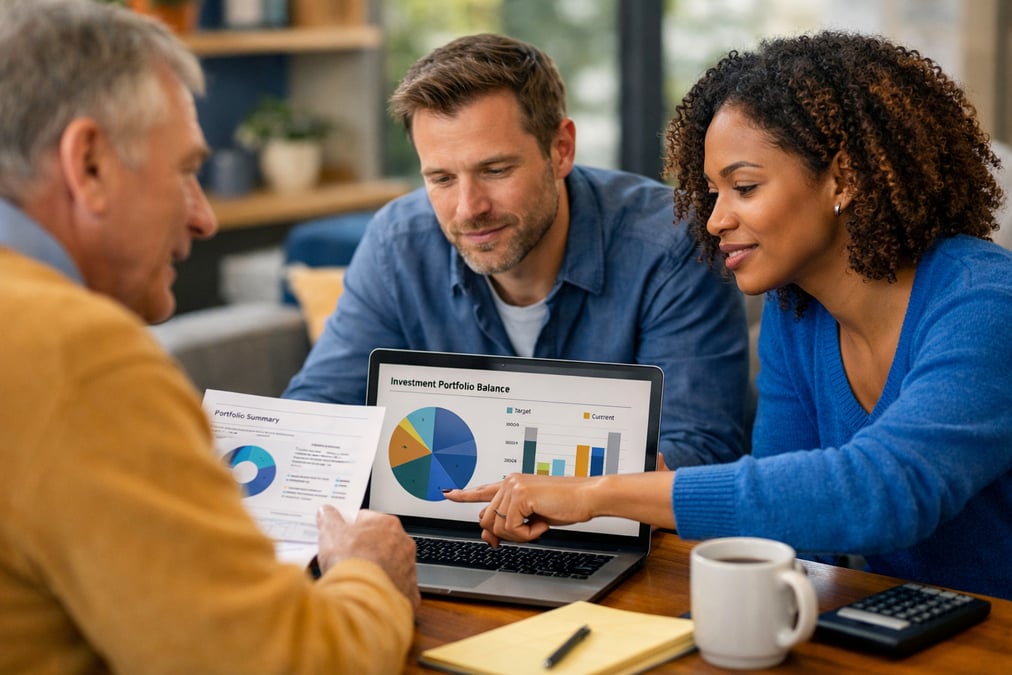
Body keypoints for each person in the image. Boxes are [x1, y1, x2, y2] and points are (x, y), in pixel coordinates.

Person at [446, 30, 1012, 601]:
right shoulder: (798, 313)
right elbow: (793, 536)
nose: (715, 220)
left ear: (843, 176)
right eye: (712, 191)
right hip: (909, 628)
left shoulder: (986, 303)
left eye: (744, 187)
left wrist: (599, 493)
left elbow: (887, 490)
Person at [0, 2, 418, 673]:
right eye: (185, 169)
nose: (204, 217)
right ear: (91, 164)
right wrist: (369, 573)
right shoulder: (78, 357)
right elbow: (288, 662)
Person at [283, 33, 751, 470]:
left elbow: (699, 451)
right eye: (441, 179)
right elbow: (317, 412)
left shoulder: (670, 244)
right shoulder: (396, 245)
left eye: (495, 170)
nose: (469, 209)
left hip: (610, 540)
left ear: (561, 149)